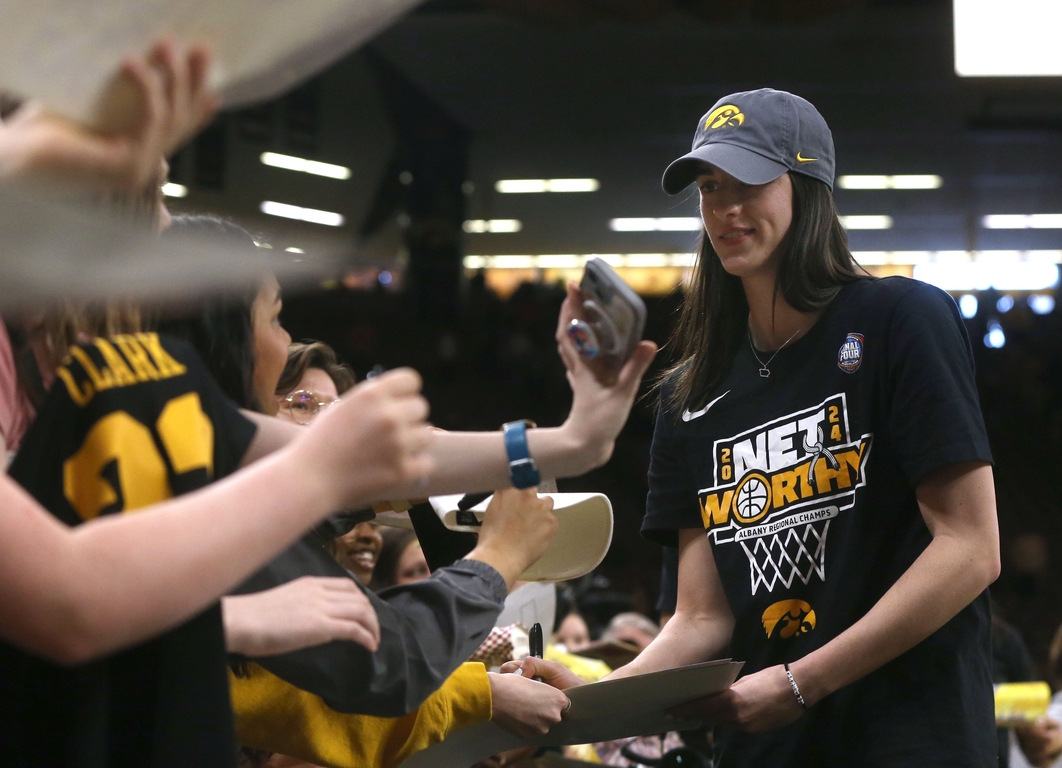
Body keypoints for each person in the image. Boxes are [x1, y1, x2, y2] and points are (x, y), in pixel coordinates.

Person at [507, 88, 1000, 767]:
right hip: (764, 747)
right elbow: (701, 619)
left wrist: (805, 682)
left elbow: (971, 548)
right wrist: (592, 699)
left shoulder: (899, 321)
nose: (724, 209)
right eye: (710, 187)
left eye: (749, 183)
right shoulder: (691, 392)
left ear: (807, 186)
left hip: (909, 737)